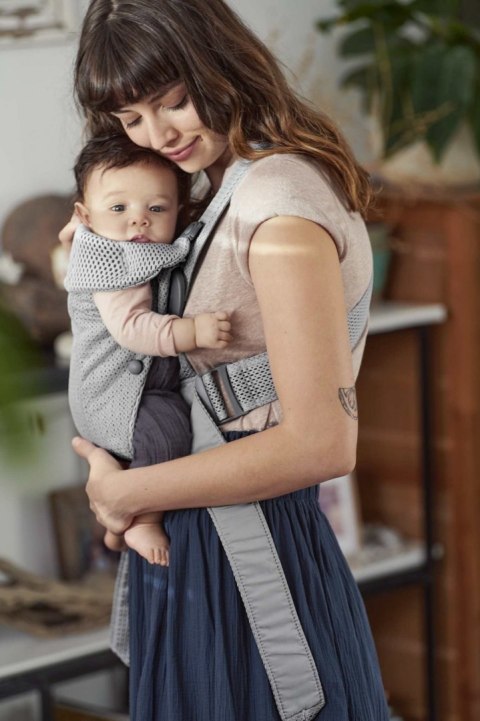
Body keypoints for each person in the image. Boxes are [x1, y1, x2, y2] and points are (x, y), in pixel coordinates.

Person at [60, 0, 391, 719]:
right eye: (131, 118)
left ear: (219, 64)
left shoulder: (278, 207)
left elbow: (322, 442)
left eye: (173, 101)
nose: (159, 135)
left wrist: (124, 494)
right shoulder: (220, 189)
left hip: (248, 551)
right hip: (200, 539)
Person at [65, 134, 232, 566]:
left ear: (178, 210)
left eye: (156, 209)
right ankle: (143, 518)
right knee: (168, 431)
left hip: (130, 390)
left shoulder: (137, 250)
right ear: (85, 216)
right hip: (114, 396)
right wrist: (190, 331)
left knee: (157, 435)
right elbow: (131, 328)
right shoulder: (108, 264)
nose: (138, 220)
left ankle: (115, 523)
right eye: (118, 208)